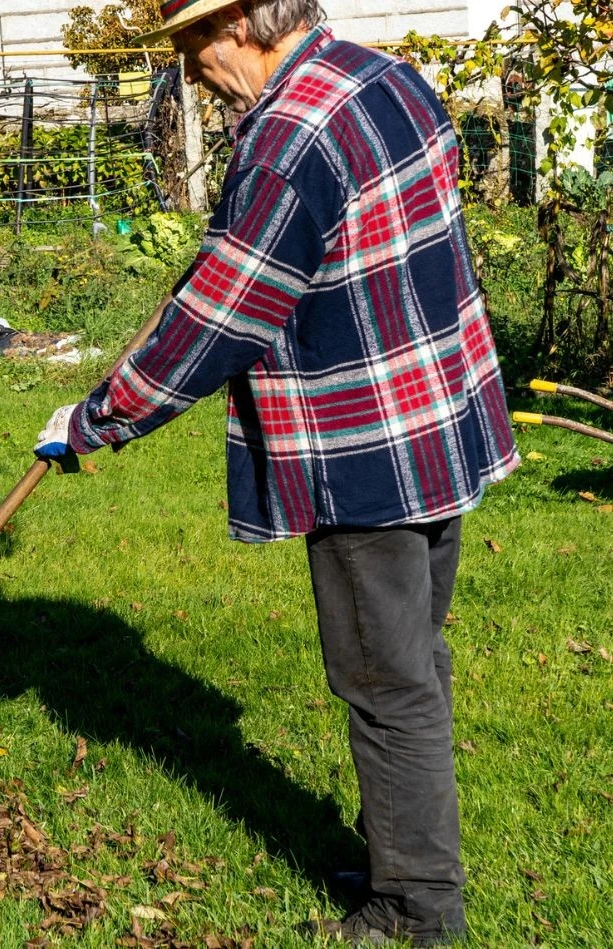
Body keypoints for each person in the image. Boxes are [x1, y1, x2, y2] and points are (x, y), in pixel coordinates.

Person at [33, 0, 519, 944]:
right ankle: (402, 854)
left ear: (248, 21)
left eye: (191, 42)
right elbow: (286, 259)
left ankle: (417, 905)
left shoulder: (289, 137)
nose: (188, 65)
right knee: (414, 660)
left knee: (386, 680)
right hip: (438, 418)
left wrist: (95, 419)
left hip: (363, 451)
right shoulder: (387, 80)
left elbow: (223, 318)